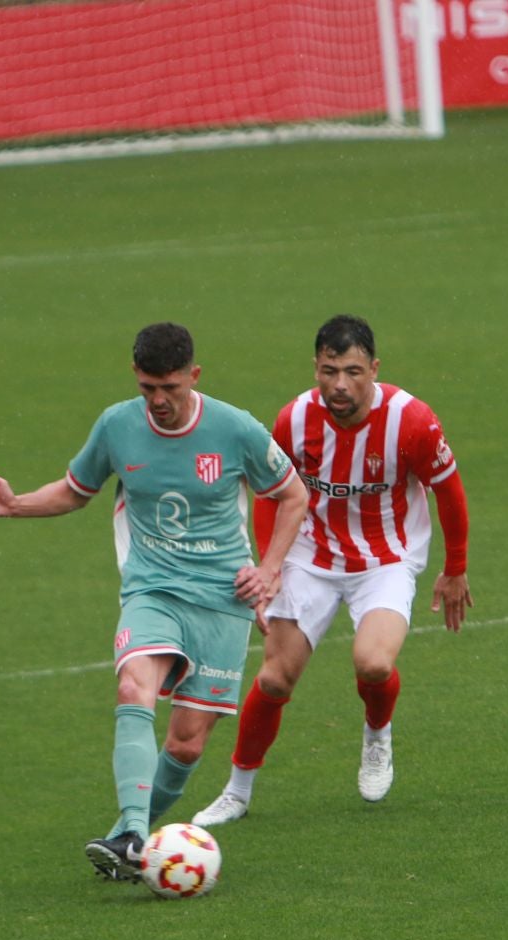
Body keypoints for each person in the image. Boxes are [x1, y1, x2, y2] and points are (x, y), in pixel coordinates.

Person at [0, 322, 308, 879]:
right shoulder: (117, 425)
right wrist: (16, 505)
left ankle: (127, 843)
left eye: (170, 388)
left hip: (223, 600)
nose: (158, 401)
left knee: (187, 742)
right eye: (148, 387)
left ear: (193, 377)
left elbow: (293, 494)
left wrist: (269, 572)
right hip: (152, 588)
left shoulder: (234, 428)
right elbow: (75, 491)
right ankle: (131, 830)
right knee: (132, 685)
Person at [192, 315, 470, 824]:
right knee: (276, 678)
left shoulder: (412, 421)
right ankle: (237, 791)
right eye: (328, 370)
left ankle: (377, 733)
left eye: (353, 371)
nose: (340, 385)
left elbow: (450, 491)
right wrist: (270, 567)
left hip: (386, 558)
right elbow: (271, 494)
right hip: (309, 557)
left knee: (374, 665)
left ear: (375, 369)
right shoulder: (293, 420)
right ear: (315, 368)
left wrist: (455, 568)